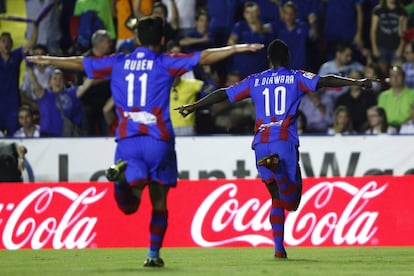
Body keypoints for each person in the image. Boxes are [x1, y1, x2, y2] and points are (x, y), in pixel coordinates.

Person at [27, 15, 263, 267]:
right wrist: (237, 48)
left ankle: (122, 181)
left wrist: (49, 59)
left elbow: (82, 63)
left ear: (137, 38)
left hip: (127, 141)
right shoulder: (165, 61)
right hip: (158, 141)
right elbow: (204, 56)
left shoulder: (118, 61)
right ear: (162, 40)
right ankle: (152, 254)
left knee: (129, 206)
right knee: (159, 201)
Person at [175, 39, 373, 259]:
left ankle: (279, 249)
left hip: (261, 143)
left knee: (276, 199)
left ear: (268, 59)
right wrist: (357, 82)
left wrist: (193, 106)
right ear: (287, 58)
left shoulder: (255, 80)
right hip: (283, 140)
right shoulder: (296, 76)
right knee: (293, 201)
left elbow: (224, 93)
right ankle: (278, 170)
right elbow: (325, 80)